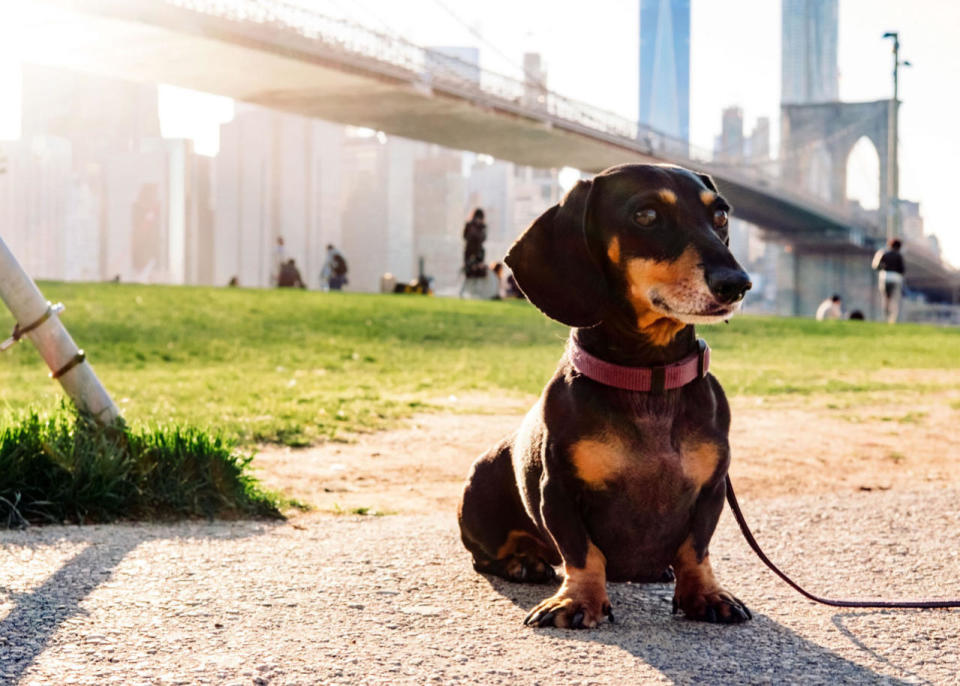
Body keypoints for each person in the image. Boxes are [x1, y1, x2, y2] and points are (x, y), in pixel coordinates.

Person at [872, 238, 905, 323]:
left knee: (886, 298)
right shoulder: (899, 256)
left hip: (885, 277)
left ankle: (885, 318)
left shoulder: (883, 253)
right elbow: (902, 270)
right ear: (899, 247)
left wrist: (884, 267)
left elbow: (876, 266)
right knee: (894, 299)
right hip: (896, 279)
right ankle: (893, 319)